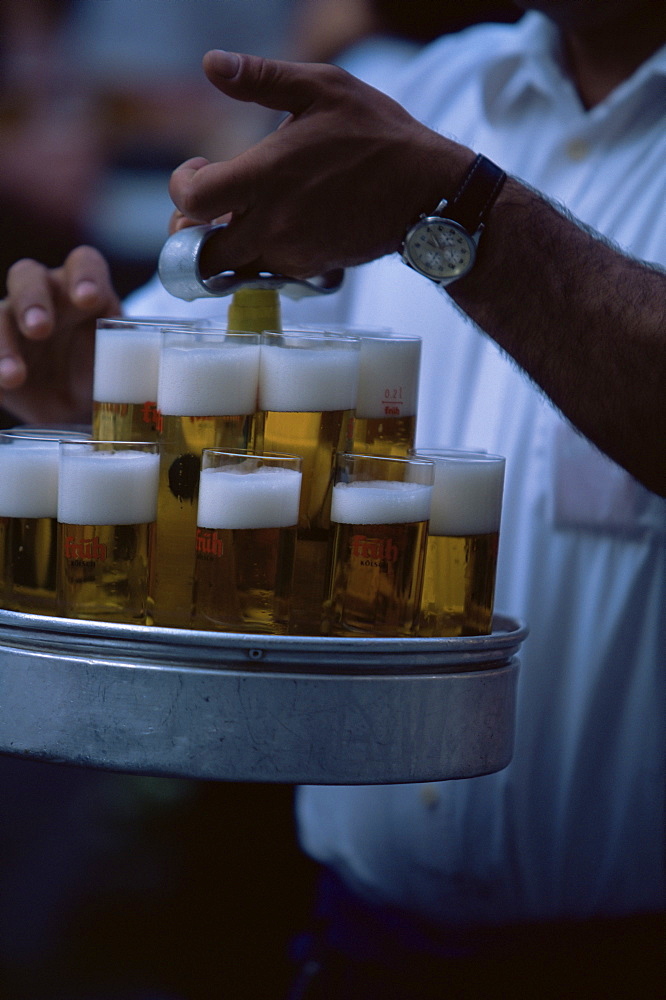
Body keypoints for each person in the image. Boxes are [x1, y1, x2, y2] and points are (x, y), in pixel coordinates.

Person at [0, 1, 664, 996]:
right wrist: (87, 388)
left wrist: (456, 211)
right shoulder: (426, 91)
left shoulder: (413, 142)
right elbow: (198, 362)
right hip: (360, 943)